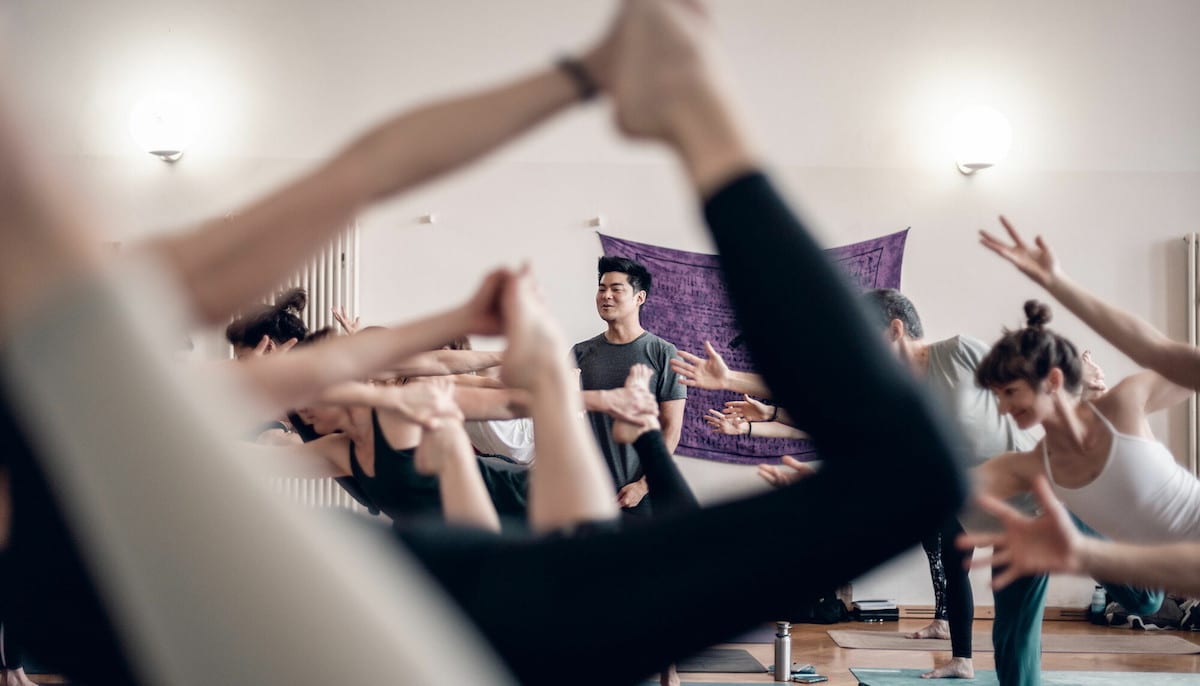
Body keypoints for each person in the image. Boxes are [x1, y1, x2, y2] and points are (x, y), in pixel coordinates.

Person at [0, 2, 969, 685]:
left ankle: (682, 109)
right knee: (903, 476)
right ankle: (689, 112)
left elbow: (362, 187)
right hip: (329, 620)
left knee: (901, 478)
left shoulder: (94, 353)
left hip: (376, 591)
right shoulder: (84, 359)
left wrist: (584, 75)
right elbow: (355, 208)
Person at [969, 301, 1198, 686]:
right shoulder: (1031, 465)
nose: (1004, 408)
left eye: (1011, 392)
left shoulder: (1124, 404)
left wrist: (1057, 283)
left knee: (1147, 602)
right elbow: (948, 487)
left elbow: (1173, 359)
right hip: (1171, 562)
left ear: (1054, 381)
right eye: (999, 397)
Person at [572, 256, 687, 515]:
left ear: (639, 298)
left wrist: (642, 486)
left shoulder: (663, 353)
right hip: (588, 491)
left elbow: (672, 429)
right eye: (601, 289)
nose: (606, 296)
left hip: (641, 494)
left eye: (616, 289)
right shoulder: (580, 353)